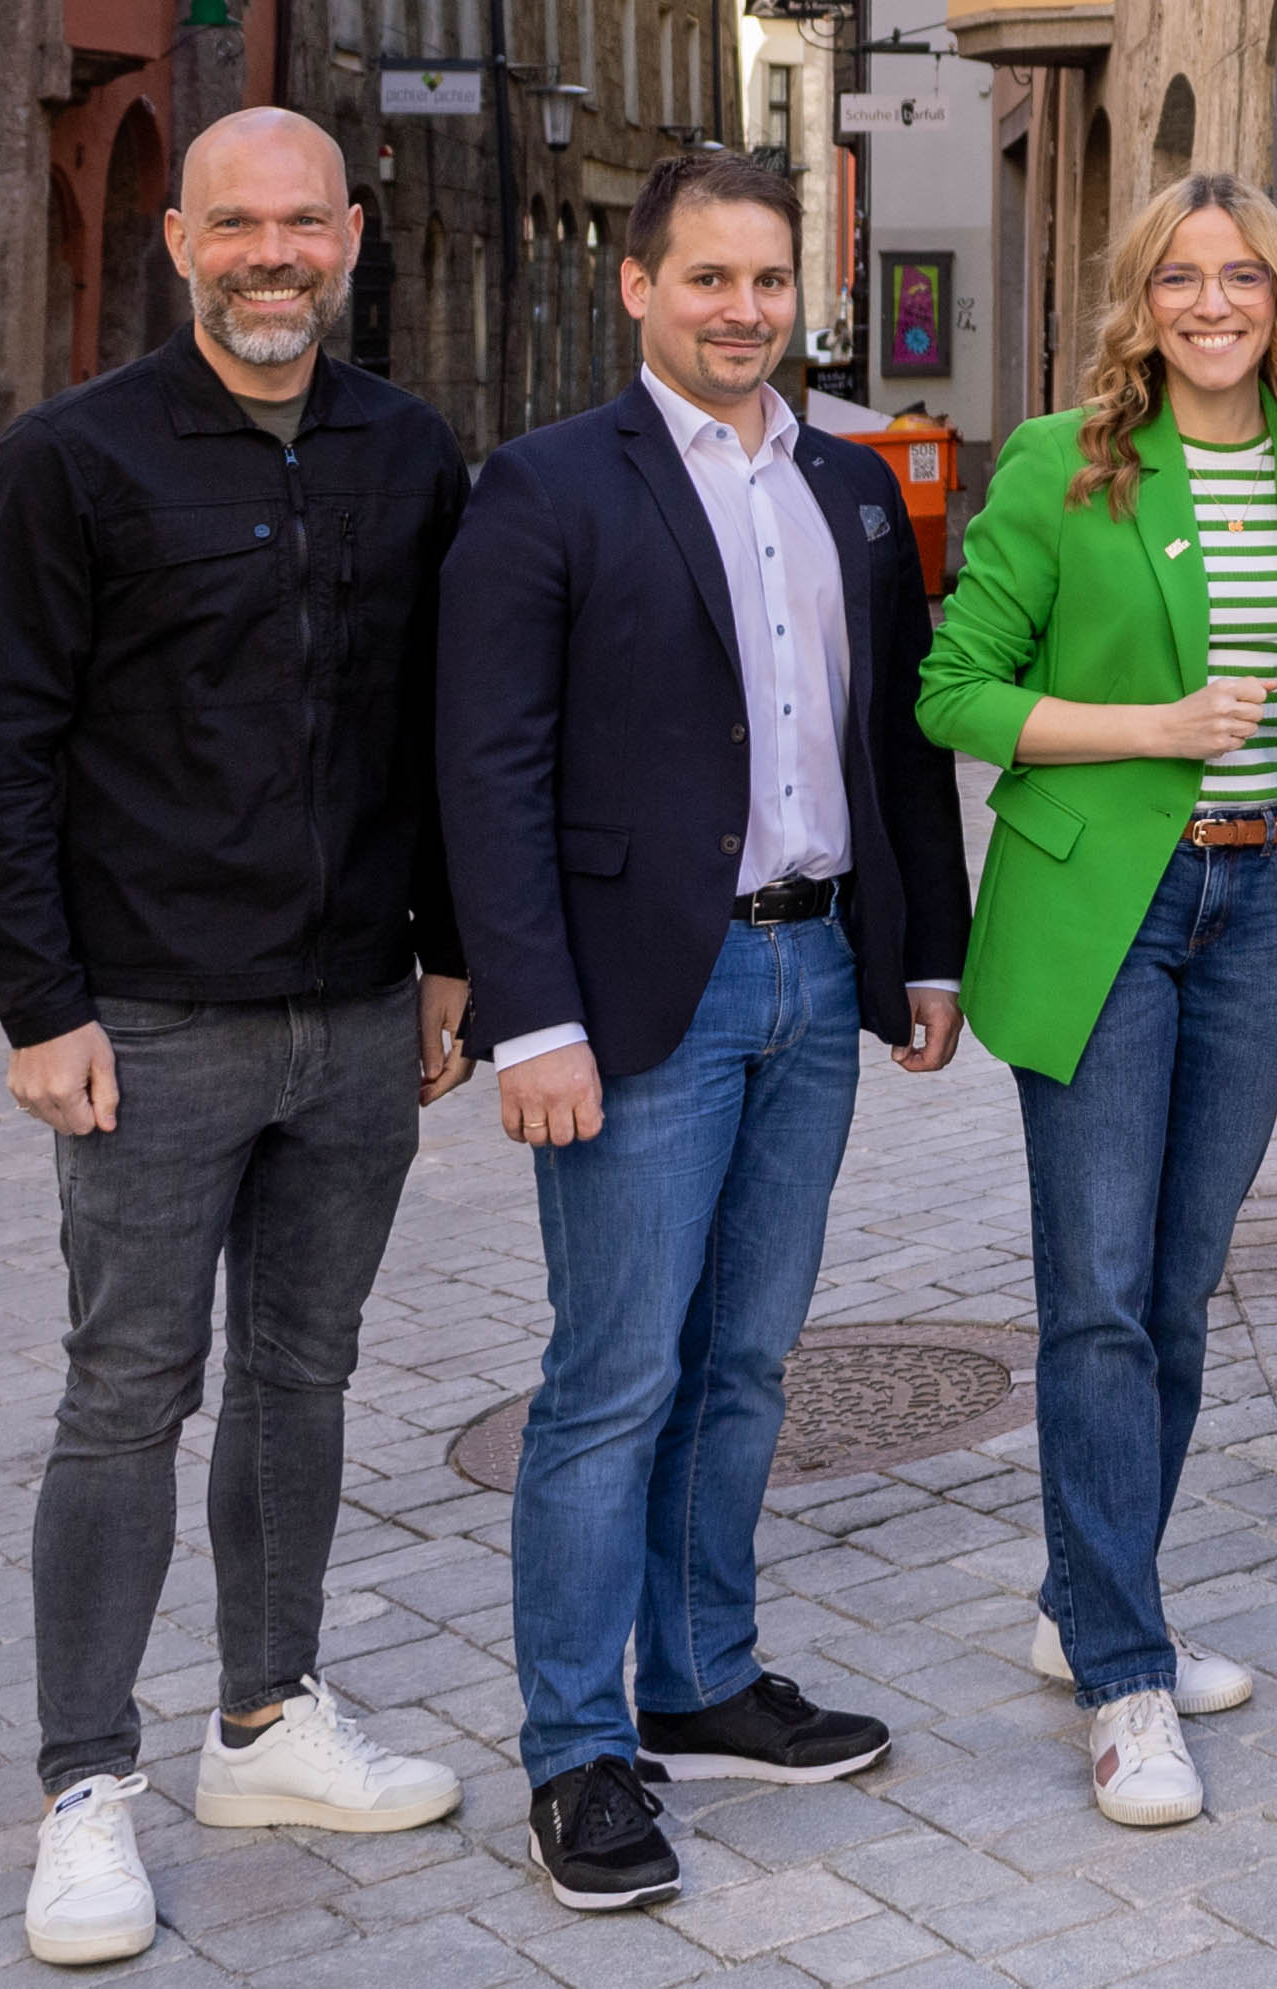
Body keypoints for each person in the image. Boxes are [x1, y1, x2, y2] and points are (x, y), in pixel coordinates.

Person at [0, 109, 479, 1970]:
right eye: (236, 223)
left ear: (349, 236)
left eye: (303, 223)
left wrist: (451, 956)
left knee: (304, 1377)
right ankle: (88, 1788)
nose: (273, 253)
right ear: (180, 242)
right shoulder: (73, 462)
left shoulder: (411, 453)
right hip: (148, 1026)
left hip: (352, 1018)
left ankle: (265, 1721)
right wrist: (42, 1007)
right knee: (123, 1394)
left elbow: (442, 730)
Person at [436, 151, 970, 1919]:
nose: (741, 310)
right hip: (640, 999)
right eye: (708, 278)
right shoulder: (541, 489)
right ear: (638, 287)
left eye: (766, 281)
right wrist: (534, 1021)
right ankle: (578, 1750)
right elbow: (488, 774)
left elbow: (895, 738)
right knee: (612, 1381)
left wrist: (927, 953)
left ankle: (703, 1670)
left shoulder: (848, 484)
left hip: (818, 978)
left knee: (748, 1360)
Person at [919, 170, 1277, 1830]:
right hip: (1110, 906)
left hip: (1262, 905)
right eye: (1179, 277)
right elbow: (951, 689)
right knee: (1098, 1295)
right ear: (1140, 297)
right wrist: (1158, 725)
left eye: (1240, 275)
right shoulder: (1065, 466)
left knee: (1180, 1290)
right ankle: (1122, 1670)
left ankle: (1085, 1597)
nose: (1210, 303)